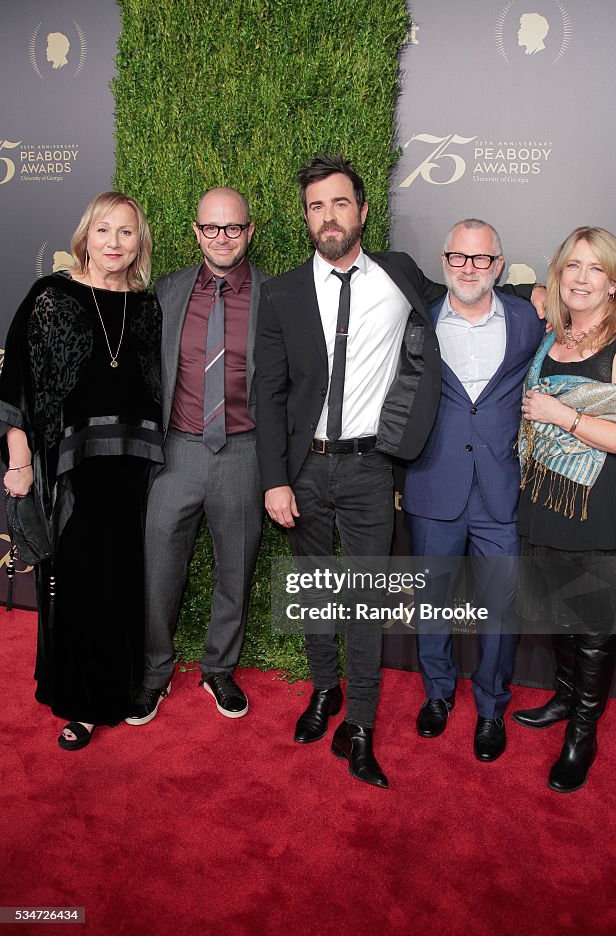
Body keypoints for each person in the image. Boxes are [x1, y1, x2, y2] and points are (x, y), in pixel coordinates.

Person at [254, 154, 446, 788]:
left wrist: (540, 300)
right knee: (314, 593)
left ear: (363, 212)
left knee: (364, 604)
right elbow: (269, 394)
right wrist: (275, 479)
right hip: (304, 467)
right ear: (306, 218)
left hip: (370, 468)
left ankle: (359, 723)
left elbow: (469, 296)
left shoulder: (400, 275)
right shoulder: (281, 291)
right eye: (315, 206)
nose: (327, 216)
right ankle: (324, 691)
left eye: (339, 203)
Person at [0, 192, 163, 750]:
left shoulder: (146, 307)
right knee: (78, 583)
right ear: (85, 237)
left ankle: (119, 688)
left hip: (131, 471)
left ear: (138, 242)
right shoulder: (51, 296)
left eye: (125, 232)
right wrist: (18, 461)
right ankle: (83, 699)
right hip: (71, 471)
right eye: (103, 230)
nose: (113, 242)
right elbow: (17, 383)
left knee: (121, 581)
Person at [514, 226, 616, 792]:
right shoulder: (552, 334)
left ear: (614, 283)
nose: (580, 278)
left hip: (605, 505)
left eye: (594, 269)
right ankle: (563, 696)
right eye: (571, 266)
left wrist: (564, 417)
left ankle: (583, 732)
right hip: (553, 497)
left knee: (592, 628)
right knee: (558, 612)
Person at [403, 219, 545, 762]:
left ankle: (491, 706)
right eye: (459, 258)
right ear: (443, 261)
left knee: (499, 609)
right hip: (433, 485)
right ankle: (437, 695)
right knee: (431, 603)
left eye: (481, 259)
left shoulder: (528, 319)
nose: (468, 268)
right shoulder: (417, 319)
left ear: (498, 266)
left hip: (501, 492)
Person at [126, 187, 267, 726]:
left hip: (244, 452)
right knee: (158, 569)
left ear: (249, 231)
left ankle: (219, 668)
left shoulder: (273, 296)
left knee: (236, 568)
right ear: (196, 231)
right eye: (212, 228)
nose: (222, 238)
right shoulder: (167, 290)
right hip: (176, 452)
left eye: (233, 228)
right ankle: (154, 672)